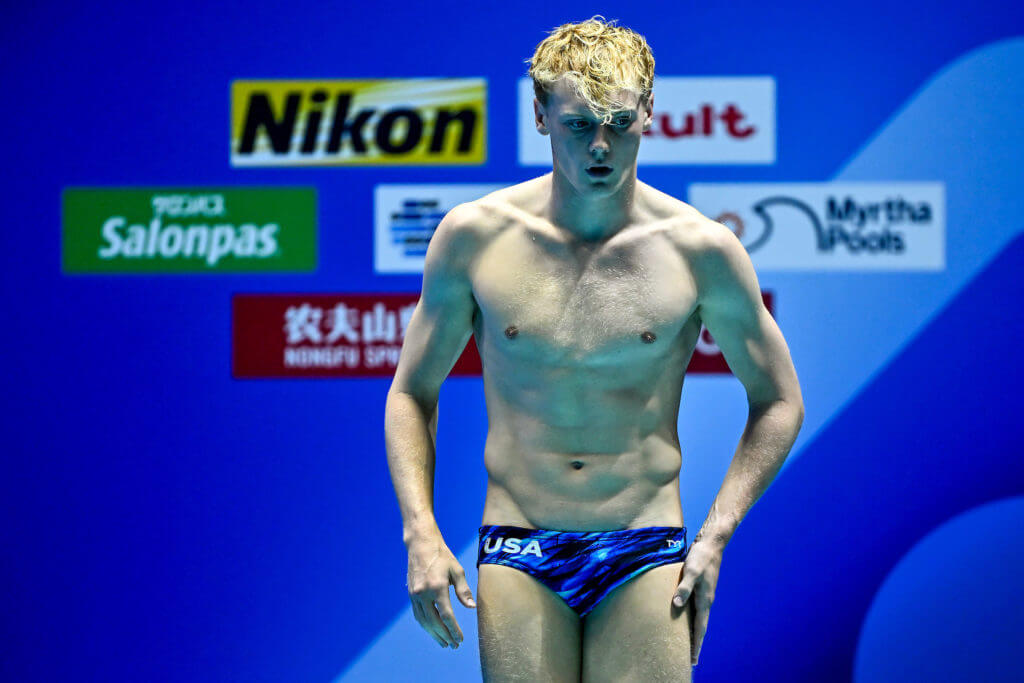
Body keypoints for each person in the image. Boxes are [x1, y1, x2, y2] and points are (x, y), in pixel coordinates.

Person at [384, 16, 804, 682]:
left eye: (618, 122)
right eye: (580, 125)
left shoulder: (701, 251)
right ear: (541, 116)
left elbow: (780, 400)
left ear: (649, 113)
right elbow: (411, 391)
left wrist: (717, 533)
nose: (600, 146)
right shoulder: (474, 238)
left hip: (645, 543)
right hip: (519, 543)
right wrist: (420, 532)